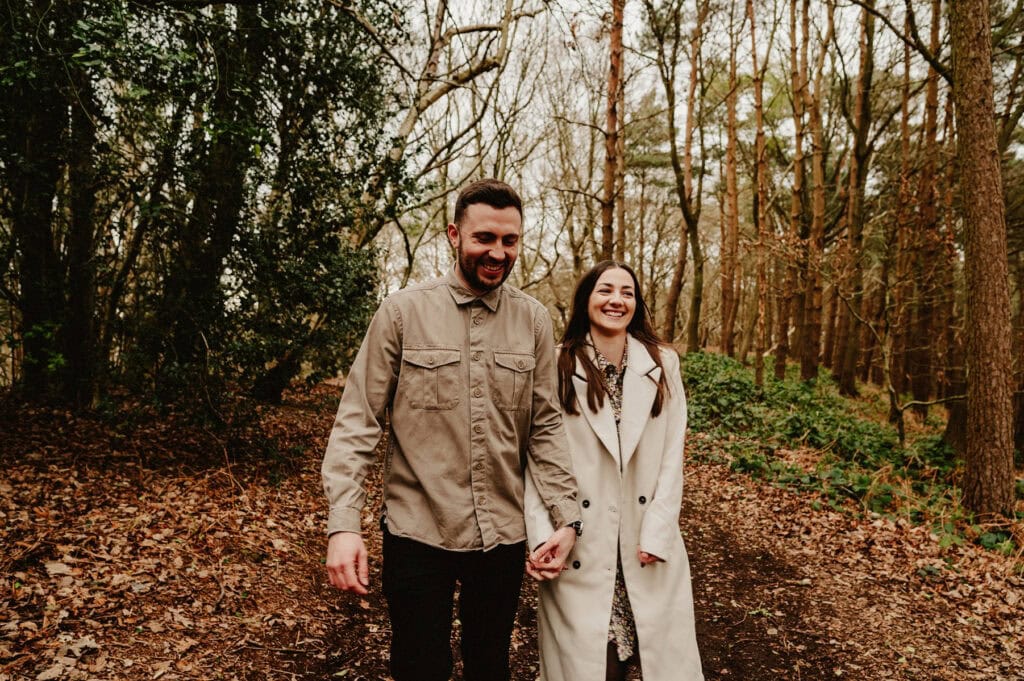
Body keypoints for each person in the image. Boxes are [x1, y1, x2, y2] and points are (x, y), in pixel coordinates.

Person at [321, 178, 582, 681]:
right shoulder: (402, 313)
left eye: (509, 240)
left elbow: (546, 427)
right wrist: (344, 524)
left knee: (490, 666)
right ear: (454, 235)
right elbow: (358, 421)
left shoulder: (533, 321)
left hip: (502, 535)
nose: (498, 252)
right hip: (417, 531)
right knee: (420, 667)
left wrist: (565, 516)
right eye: (484, 237)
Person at [525, 260, 704, 681]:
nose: (616, 300)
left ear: (637, 303)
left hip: (644, 542)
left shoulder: (663, 363)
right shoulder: (557, 363)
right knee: (594, 665)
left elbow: (671, 456)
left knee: (657, 660)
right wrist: (542, 533)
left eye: (627, 292)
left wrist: (659, 529)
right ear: (586, 299)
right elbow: (537, 455)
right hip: (581, 544)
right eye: (605, 290)